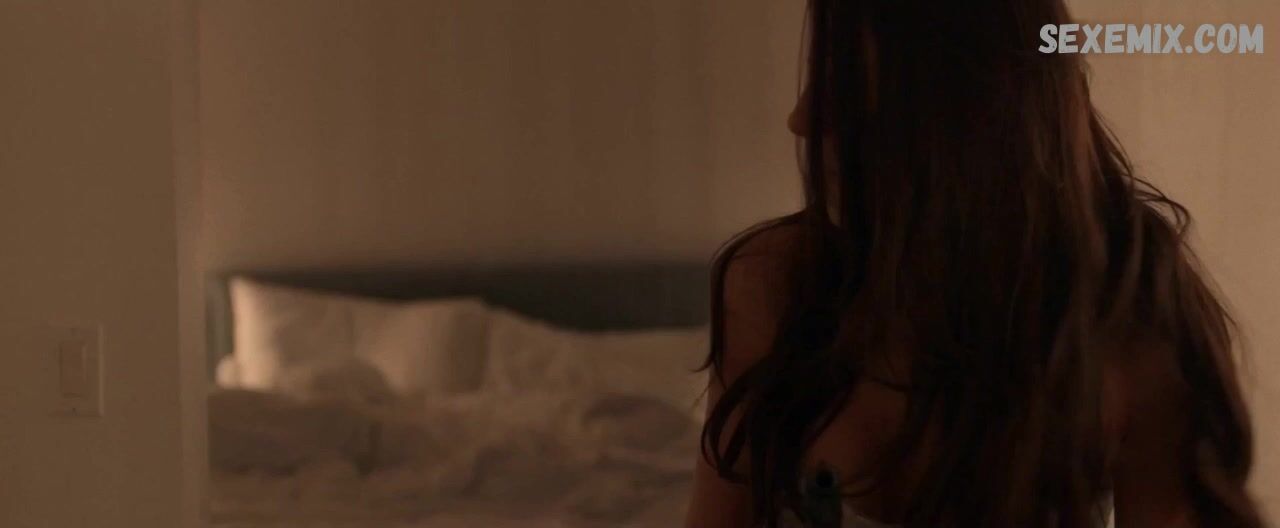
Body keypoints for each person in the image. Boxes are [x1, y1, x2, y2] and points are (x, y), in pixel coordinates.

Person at [683, 1, 1267, 527]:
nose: (802, 119)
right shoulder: (775, 286)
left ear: (975, 103)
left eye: (847, 82)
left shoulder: (1133, 320)